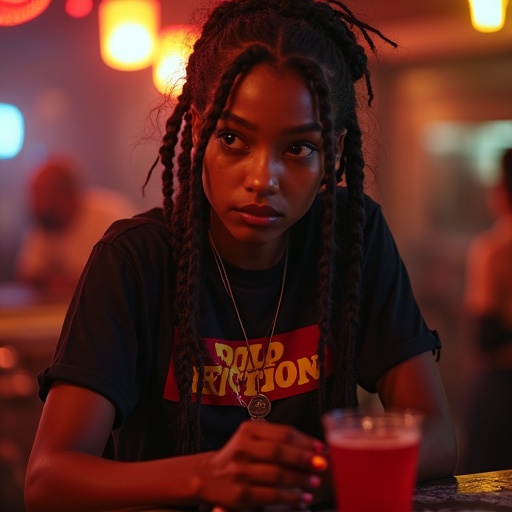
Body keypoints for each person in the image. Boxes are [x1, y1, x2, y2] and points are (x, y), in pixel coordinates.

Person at [24, 1, 458, 510]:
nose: (261, 179)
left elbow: (437, 438)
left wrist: (287, 477)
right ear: (199, 129)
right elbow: (48, 480)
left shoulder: (350, 235)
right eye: (232, 139)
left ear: (333, 155)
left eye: (298, 149)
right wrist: (207, 476)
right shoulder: (133, 261)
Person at [16, 157, 136, 299]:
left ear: (66, 194)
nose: (34, 204)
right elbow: (28, 275)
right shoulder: (45, 224)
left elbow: (123, 276)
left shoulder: (110, 216)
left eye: (40, 194)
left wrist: (65, 281)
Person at [460, 148, 512, 473]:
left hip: (501, 386)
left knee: (485, 483)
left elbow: (486, 336)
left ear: (501, 191)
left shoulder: (493, 249)